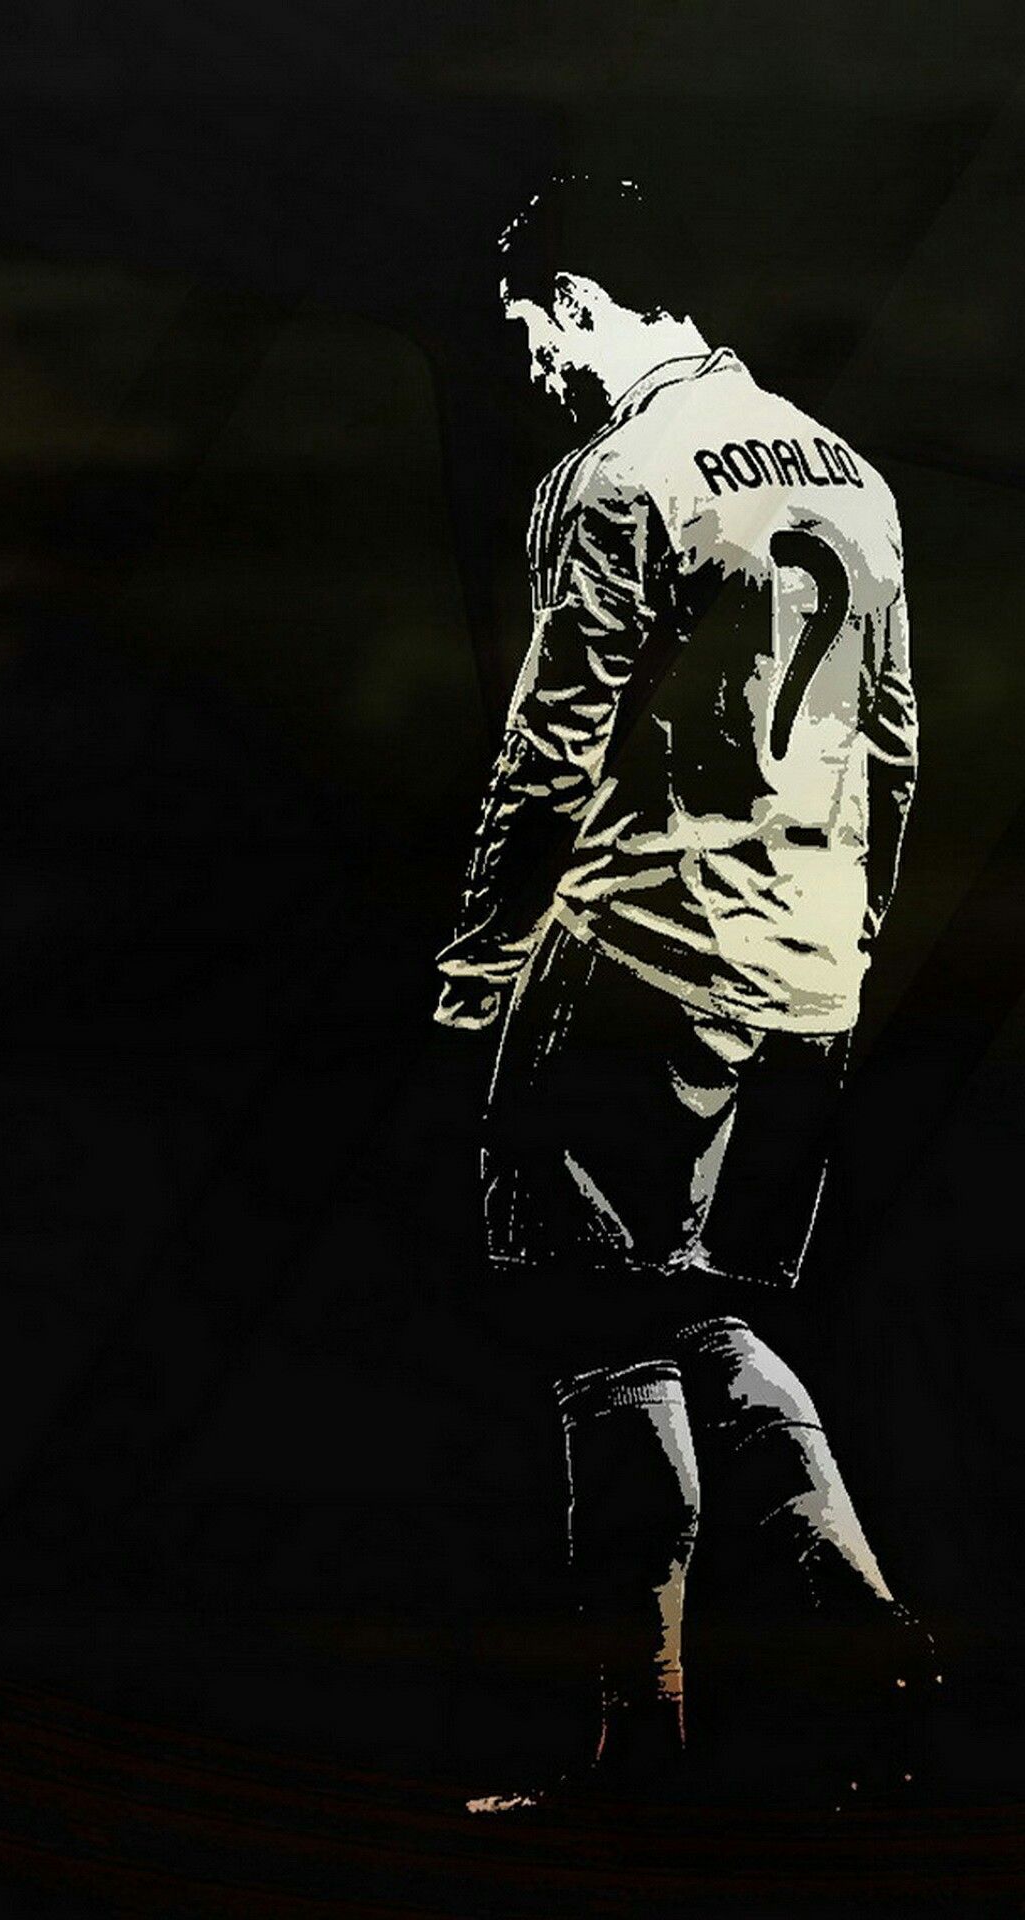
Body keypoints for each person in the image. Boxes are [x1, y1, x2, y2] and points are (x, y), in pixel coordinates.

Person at [434, 175, 936, 1814]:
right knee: (707, 1312)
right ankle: (867, 1637)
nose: (528, 367)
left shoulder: (619, 472)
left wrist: (477, 969)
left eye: (527, 330)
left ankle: (635, 1754)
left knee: (601, 1343)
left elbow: (549, 752)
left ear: (577, 298)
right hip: (809, 971)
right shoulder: (846, 469)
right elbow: (895, 744)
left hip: (641, 959)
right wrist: (845, 940)